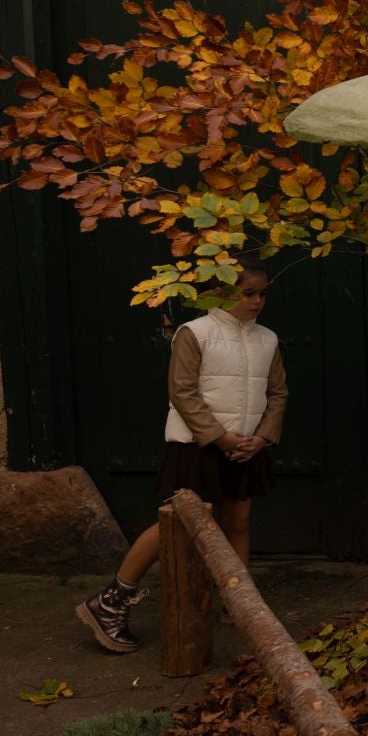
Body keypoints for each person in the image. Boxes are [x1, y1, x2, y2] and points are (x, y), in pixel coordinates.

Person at [76, 262, 287, 653]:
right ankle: (109, 603)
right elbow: (183, 392)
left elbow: (277, 394)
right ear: (220, 292)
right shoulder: (195, 333)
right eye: (248, 293)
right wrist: (219, 438)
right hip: (197, 446)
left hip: (245, 448)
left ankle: (239, 604)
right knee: (180, 523)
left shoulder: (268, 340)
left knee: (238, 520)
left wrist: (260, 439)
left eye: (262, 293)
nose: (258, 301)